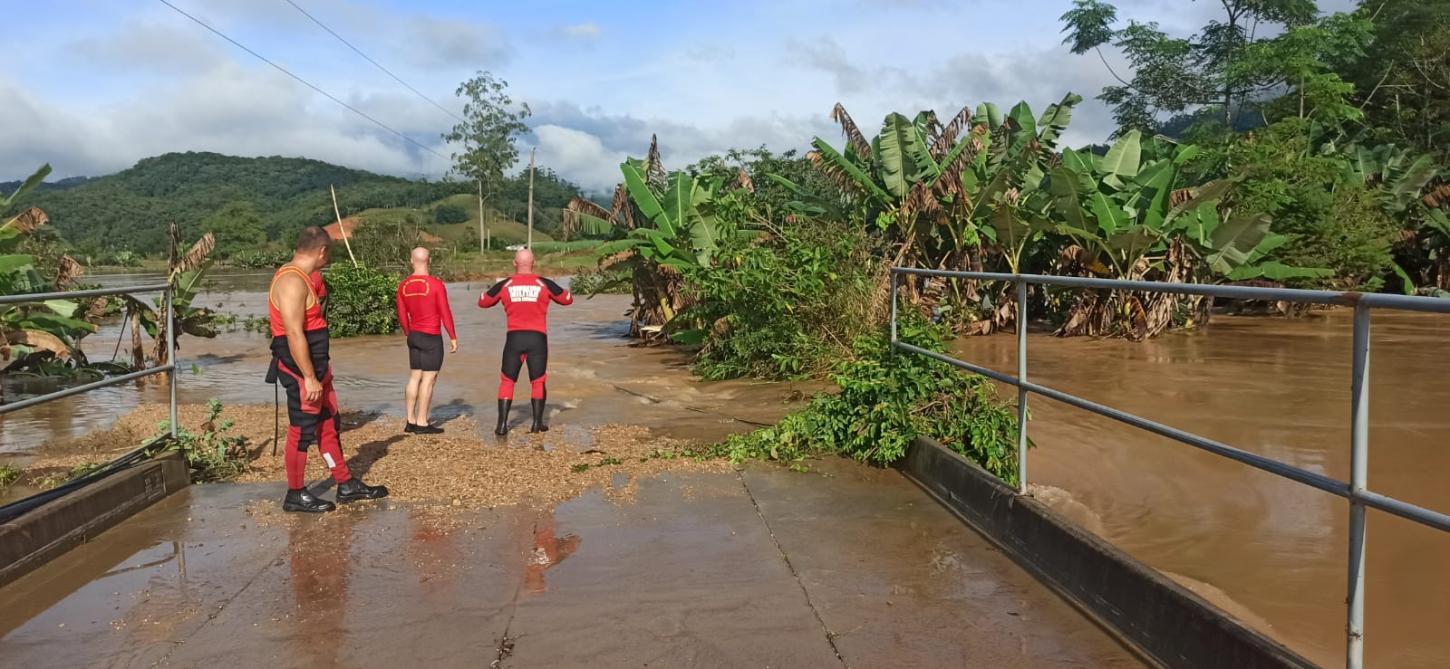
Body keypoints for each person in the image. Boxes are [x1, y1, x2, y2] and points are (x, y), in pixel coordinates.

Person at [266, 226, 389, 513]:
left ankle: (345, 484)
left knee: (328, 423)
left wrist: (319, 374)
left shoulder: (306, 278)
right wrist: (308, 377)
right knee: (302, 430)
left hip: (319, 369)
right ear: (321, 251)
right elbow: (294, 334)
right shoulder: (291, 282)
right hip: (302, 372)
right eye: (328, 254)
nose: (328, 259)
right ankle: (295, 494)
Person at [479, 248, 573, 435]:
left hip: (514, 338)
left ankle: (502, 426)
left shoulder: (505, 284)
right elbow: (567, 299)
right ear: (534, 263)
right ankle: (537, 424)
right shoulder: (544, 283)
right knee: (538, 381)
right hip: (537, 338)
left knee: (507, 380)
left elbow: (483, 302)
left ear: (515, 263)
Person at [396, 247, 457, 434]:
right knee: (429, 379)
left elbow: (401, 314)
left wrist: (408, 332)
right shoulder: (436, 284)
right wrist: (453, 336)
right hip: (431, 336)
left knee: (415, 376)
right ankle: (422, 422)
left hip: (414, 335)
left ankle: (410, 420)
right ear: (428, 261)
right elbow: (445, 312)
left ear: (411, 260)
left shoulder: (403, 285)